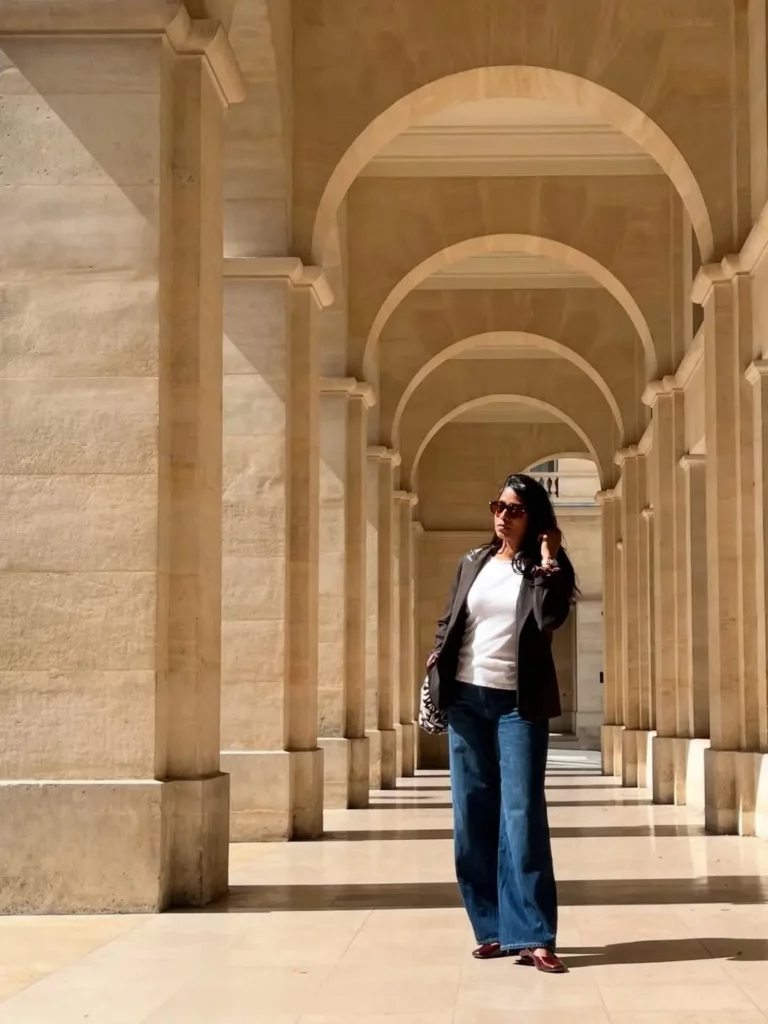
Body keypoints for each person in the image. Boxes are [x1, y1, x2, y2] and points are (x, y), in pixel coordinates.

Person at [425, 473, 576, 974]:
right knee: (472, 815)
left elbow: (551, 617)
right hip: (467, 699)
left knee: (522, 814)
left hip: (518, 703)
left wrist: (550, 557)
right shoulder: (473, 561)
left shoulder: (542, 569)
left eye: (514, 509)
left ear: (534, 518)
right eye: (498, 506)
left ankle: (533, 934)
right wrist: (436, 663)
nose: (502, 515)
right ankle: (491, 927)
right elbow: (452, 620)